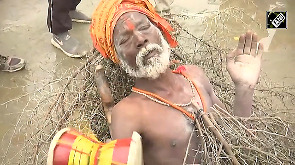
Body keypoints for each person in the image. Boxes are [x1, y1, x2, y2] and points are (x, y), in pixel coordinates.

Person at [90, 0, 263, 164]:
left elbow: (239, 141)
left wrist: (244, 87)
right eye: (125, 40)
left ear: (159, 29)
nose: (140, 39)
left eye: (144, 27)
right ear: (118, 58)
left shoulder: (194, 76)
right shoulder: (128, 114)